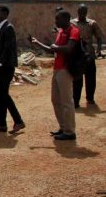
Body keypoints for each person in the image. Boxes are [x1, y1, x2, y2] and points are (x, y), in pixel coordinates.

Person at [30, 10, 80, 141]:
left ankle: (70, 131)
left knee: (66, 101)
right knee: (56, 99)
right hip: (57, 68)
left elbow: (68, 48)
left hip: (65, 69)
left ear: (66, 19)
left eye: (58, 19)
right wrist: (37, 43)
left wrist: (55, 47)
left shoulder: (73, 31)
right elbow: (52, 49)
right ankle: (63, 127)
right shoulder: (60, 32)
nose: (56, 22)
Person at [0, 7, 24, 133]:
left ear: (4, 14)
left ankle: (17, 120)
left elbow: (8, 48)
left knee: (3, 94)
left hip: (6, 67)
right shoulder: (0, 27)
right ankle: (0, 121)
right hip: (0, 67)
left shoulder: (8, 28)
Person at [72, 4, 105, 107]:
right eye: (80, 11)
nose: (82, 13)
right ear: (77, 11)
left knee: (90, 78)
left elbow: (99, 37)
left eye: (84, 11)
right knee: (77, 79)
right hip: (77, 55)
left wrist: (99, 49)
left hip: (89, 54)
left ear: (86, 12)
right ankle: (76, 101)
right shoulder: (72, 23)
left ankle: (90, 98)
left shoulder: (92, 23)